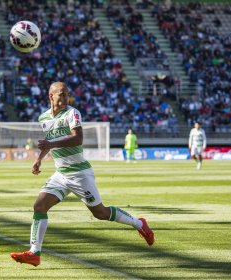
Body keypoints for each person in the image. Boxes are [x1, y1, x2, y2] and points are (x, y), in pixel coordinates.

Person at [10, 82, 154, 267]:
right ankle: (34, 253)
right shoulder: (43, 118)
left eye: (66, 95)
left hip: (80, 173)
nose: (64, 98)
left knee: (100, 213)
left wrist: (51, 145)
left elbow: (78, 138)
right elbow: (49, 142)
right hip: (61, 174)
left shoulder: (72, 113)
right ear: (50, 96)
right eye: (60, 95)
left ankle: (139, 224)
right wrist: (39, 159)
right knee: (39, 206)